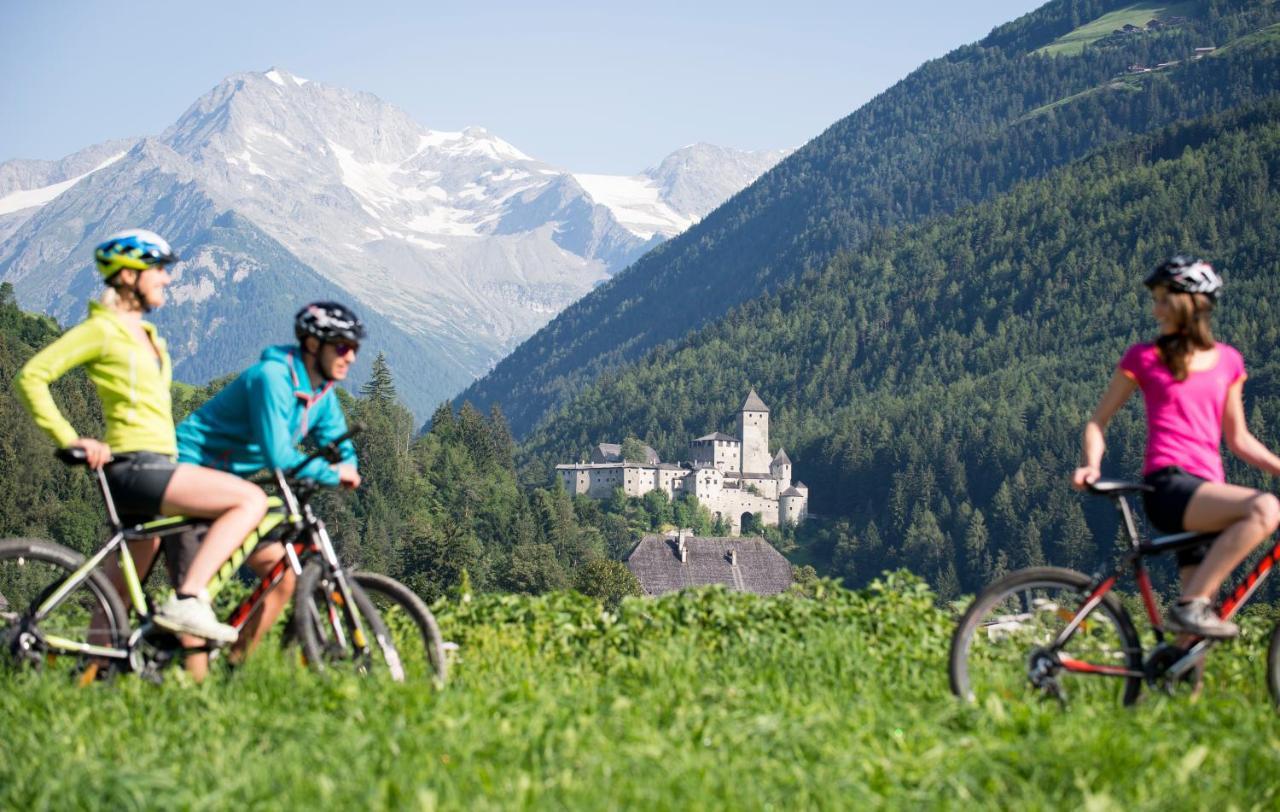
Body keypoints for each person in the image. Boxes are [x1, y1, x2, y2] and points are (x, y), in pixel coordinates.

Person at [14, 229, 269, 645]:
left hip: (154, 464)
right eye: (158, 269)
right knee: (249, 499)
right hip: (137, 466)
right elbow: (32, 376)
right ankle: (188, 598)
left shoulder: (148, 336)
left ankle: (91, 678)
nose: (166, 278)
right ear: (129, 276)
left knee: (115, 596)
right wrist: (70, 438)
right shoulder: (102, 329)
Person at [1071, 256, 1280, 639]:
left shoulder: (1228, 362)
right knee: (1265, 508)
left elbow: (1240, 440)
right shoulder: (1144, 357)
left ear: (1190, 304)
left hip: (1205, 494)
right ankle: (1189, 607)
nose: (1156, 310)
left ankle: (1181, 683)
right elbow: (1097, 422)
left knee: (1194, 642)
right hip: (1168, 487)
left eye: (1164, 300)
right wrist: (1091, 465)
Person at [173, 301, 363, 666]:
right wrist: (330, 474)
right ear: (312, 345)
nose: (351, 356)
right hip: (191, 476)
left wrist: (347, 466)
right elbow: (278, 456)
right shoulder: (272, 379)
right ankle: (192, 697)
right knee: (196, 601)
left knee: (284, 577)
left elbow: (340, 443)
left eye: (354, 347)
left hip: (232, 490)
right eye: (342, 346)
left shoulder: (321, 393)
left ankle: (233, 669)